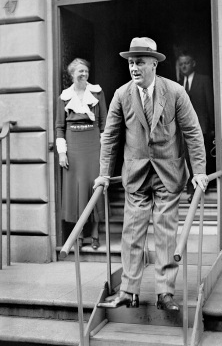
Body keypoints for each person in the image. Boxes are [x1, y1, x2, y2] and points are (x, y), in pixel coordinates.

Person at [93, 37, 208, 311]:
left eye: (140, 62)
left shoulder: (176, 92)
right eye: (131, 62)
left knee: (166, 234)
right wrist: (104, 174)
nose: (134, 67)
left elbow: (192, 132)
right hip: (136, 174)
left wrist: (200, 171)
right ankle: (128, 291)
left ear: (154, 64)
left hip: (169, 172)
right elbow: (110, 138)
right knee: (132, 233)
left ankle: (165, 293)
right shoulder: (122, 95)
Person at [56, 58, 107, 251]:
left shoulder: (97, 93)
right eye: (80, 72)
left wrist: (104, 151)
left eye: (86, 71)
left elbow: (104, 123)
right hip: (73, 145)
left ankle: (94, 234)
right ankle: (77, 234)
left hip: (93, 143)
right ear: (72, 74)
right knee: (76, 190)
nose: (84, 74)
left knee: (94, 187)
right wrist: (62, 152)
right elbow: (59, 127)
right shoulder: (64, 97)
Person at [176, 51, 214, 201]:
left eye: (186, 63)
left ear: (193, 64)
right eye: (181, 64)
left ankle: (199, 191)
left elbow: (210, 104)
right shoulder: (178, 84)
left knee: (200, 159)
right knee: (187, 160)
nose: (183, 66)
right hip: (182, 130)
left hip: (202, 128)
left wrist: (212, 127)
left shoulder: (204, 80)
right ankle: (192, 190)